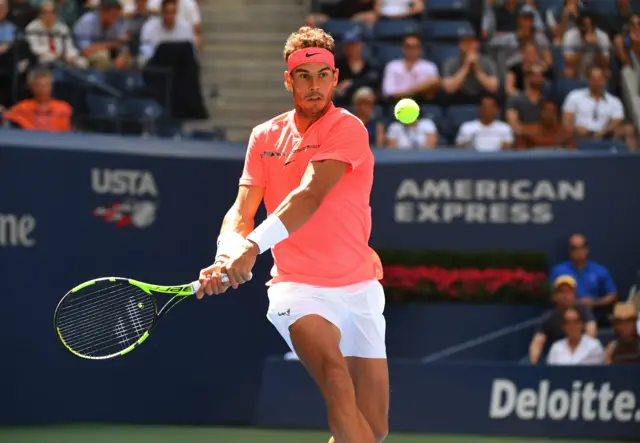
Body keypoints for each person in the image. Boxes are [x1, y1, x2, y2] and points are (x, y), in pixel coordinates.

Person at [196, 26, 388, 443]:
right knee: (335, 379)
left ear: (335, 78)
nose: (314, 85)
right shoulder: (264, 138)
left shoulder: (348, 128)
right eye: (304, 76)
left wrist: (250, 247)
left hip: (360, 289)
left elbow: (310, 194)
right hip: (297, 290)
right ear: (289, 80)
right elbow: (241, 211)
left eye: (323, 75)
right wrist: (227, 252)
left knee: (372, 430)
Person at [550, 233, 617, 325]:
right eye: (574, 248)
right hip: (565, 320)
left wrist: (594, 302)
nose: (578, 251)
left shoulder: (600, 270)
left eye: (582, 247)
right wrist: (571, 302)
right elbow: (551, 295)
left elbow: (612, 295)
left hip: (595, 316)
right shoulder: (559, 271)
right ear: (569, 250)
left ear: (587, 249)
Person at [528, 275, 597, 364]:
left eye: (569, 292)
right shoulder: (549, 317)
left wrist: (581, 354)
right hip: (557, 359)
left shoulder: (583, 311)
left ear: (574, 294)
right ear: (554, 296)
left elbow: (591, 331)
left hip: (582, 359)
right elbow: (537, 342)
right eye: (561, 292)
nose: (565, 295)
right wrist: (533, 365)